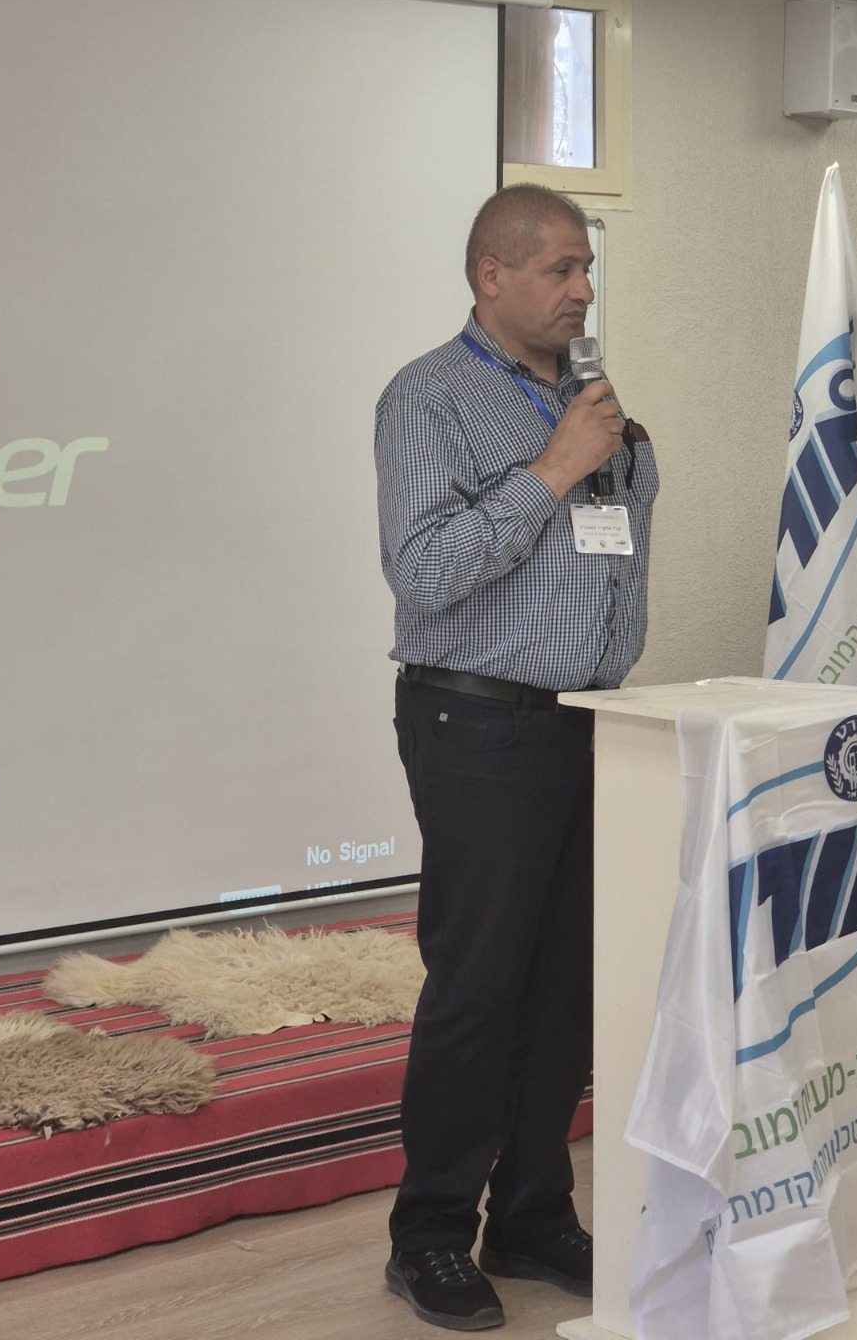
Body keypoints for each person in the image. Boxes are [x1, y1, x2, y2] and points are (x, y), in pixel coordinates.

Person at [374, 184, 658, 1330]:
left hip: (593, 723)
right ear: (491, 274)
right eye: (559, 269)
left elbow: (609, 558)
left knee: (566, 988)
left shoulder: (588, 399)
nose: (582, 288)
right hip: (478, 723)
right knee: (479, 988)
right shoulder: (429, 397)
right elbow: (424, 573)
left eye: (587, 269)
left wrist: (594, 454)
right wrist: (553, 468)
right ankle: (430, 1235)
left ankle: (533, 1213)